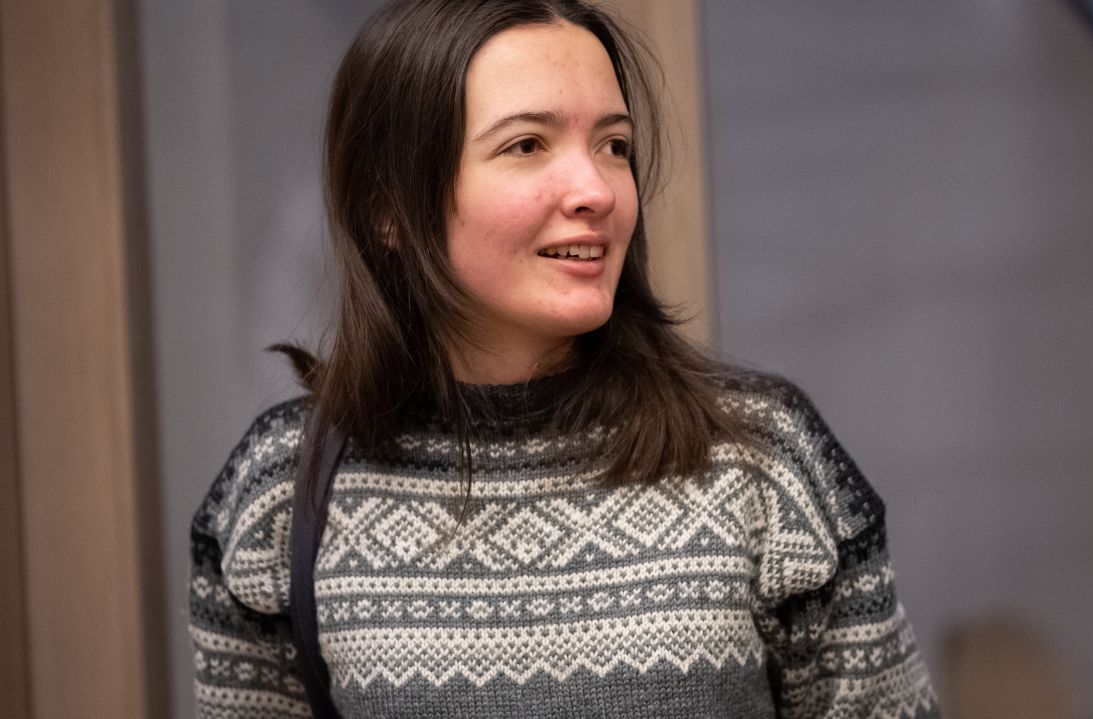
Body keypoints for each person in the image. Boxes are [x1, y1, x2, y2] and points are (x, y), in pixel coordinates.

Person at [188, 1, 940, 717]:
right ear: (388, 207)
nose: (597, 190)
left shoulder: (761, 457)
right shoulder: (280, 494)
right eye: (526, 145)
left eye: (614, 146)